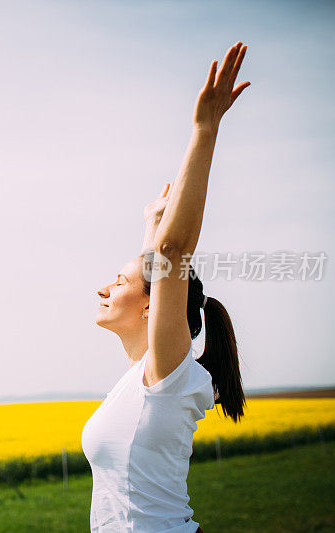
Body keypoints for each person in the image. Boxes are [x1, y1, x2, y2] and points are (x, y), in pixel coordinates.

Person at [81, 41, 250, 532]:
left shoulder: (168, 375)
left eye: (118, 282)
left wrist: (205, 130)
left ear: (154, 306)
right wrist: (151, 226)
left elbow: (171, 257)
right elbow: (153, 270)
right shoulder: (141, 376)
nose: (103, 289)